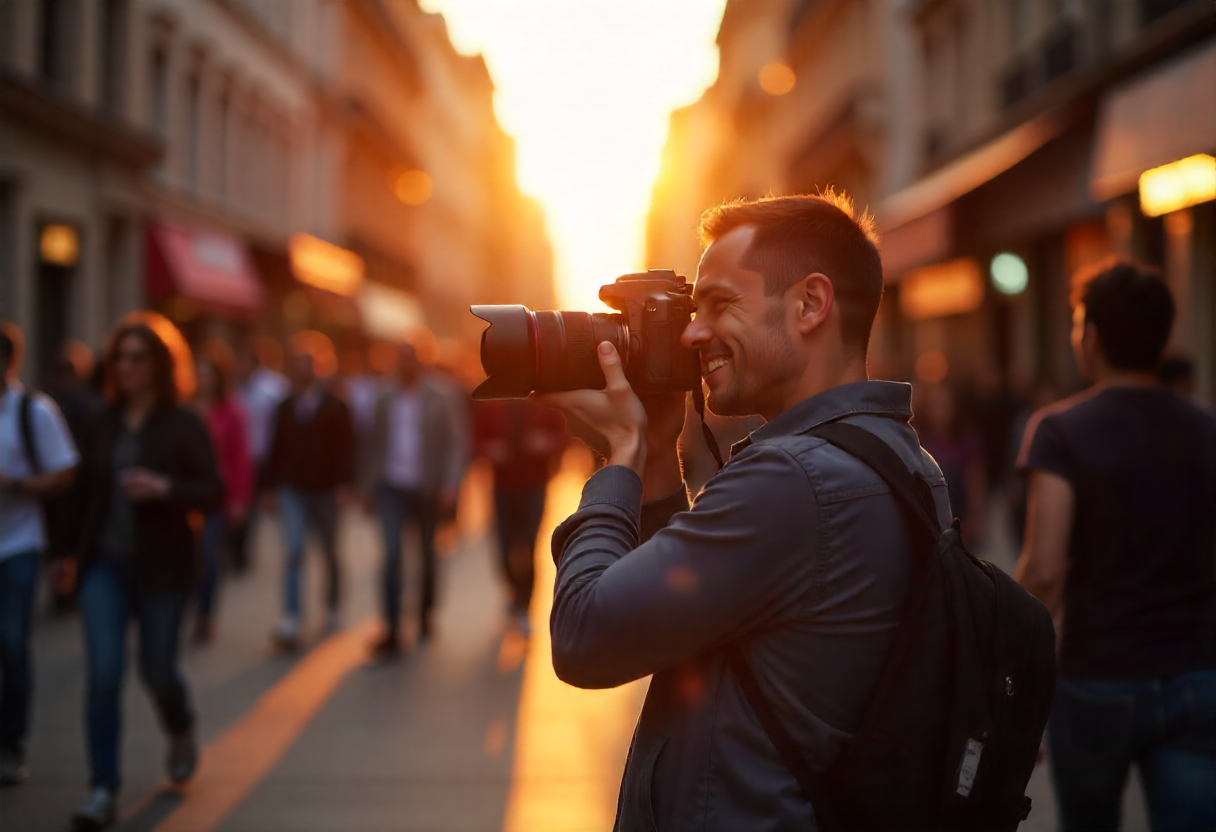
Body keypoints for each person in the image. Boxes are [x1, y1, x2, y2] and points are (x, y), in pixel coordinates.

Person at [537, 193, 953, 831]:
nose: (693, 333)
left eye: (720, 305)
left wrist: (617, 458)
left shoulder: (794, 481)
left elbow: (585, 636)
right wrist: (653, 459)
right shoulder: (894, 458)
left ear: (810, 304)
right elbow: (674, 611)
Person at [1016, 260, 1216, 832]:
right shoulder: (1207, 430)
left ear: (1092, 337)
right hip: (1199, 674)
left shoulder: (1059, 430)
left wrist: (1015, 681)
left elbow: (1045, 571)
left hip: (1098, 676)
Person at [67, 316, 222, 829]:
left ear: (158, 365)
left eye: (136, 357)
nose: (125, 367)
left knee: (157, 671)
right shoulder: (101, 422)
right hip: (105, 567)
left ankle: (180, 725)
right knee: (105, 674)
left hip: (164, 567)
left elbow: (212, 492)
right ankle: (102, 789)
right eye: (119, 358)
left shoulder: (183, 422)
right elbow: (82, 495)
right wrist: (65, 555)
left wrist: (164, 488)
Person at [0, 322, 79, 785]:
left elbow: (66, 473)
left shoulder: (35, 412)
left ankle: (12, 742)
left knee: (11, 643)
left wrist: (17, 485)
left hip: (19, 543)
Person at [362, 342, 465, 658]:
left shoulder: (442, 396)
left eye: (412, 359)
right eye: (401, 359)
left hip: (427, 488)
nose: (405, 365)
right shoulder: (382, 396)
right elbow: (369, 443)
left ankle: (424, 613)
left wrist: (450, 484)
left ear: (422, 363)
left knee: (426, 555)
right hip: (390, 485)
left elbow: (455, 443)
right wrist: (365, 487)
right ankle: (392, 628)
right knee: (392, 554)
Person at [263, 334, 355, 652]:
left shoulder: (336, 406)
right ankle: (291, 615)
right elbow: (275, 448)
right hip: (292, 488)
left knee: (329, 550)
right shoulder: (285, 406)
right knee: (294, 549)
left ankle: (332, 605)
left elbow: (347, 448)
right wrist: (270, 486)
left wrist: (344, 483)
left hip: (326, 489)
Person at [473, 398, 567, 634]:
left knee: (529, 544)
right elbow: (475, 438)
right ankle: (515, 594)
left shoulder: (544, 400)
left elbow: (563, 435)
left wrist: (546, 443)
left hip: (534, 484)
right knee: (504, 548)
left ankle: (523, 606)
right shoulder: (491, 401)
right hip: (502, 486)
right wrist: (489, 449)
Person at [192, 342, 252, 643]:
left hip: (216, 497)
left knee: (209, 557)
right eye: (197, 373)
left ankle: (205, 614)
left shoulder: (232, 412)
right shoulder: (184, 409)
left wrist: (240, 499)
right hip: (185, 497)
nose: (202, 379)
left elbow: (240, 459)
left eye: (207, 374)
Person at [230, 337, 289, 573]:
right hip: (235, 458)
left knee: (251, 509)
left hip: (259, 458)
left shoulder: (273, 389)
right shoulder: (231, 389)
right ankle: (235, 551)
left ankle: (243, 553)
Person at [914, 383, 987, 546]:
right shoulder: (920, 442)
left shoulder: (967, 441)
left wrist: (975, 520)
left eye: (944, 404)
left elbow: (975, 483)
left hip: (960, 521)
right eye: (935, 404)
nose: (940, 410)